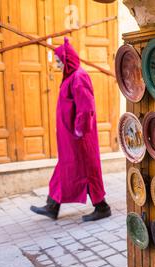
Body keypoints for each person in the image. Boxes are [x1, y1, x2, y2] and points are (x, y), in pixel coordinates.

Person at [30, 38, 111, 222]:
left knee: (87, 171)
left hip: (79, 138)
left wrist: (79, 130)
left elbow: (86, 107)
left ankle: (102, 207)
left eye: (59, 61)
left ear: (68, 60)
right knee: (63, 168)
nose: (57, 65)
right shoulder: (70, 77)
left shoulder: (78, 77)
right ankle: (52, 206)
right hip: (70, 139)